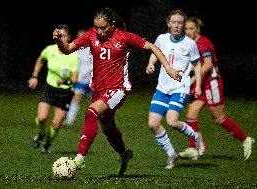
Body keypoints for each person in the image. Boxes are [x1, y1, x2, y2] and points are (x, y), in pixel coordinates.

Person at [53, 7, 182, 176]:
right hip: (98, 90)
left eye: (103, 28)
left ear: (112, 25)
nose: (99, 31)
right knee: (108, 128)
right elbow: (67, 49)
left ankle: (79, 159)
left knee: (91, 112)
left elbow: (152, 46)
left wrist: (168, 68)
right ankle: (123, 154)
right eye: (96, 27)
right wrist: (58, 41)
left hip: (117, 90)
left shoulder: (124, 37)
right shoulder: (91, 35)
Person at [179, 17, 255, 161]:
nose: (188, 32)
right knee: (191, 115)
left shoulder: (202, 44)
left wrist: (194, 81)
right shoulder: (192, 44)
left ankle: (245, 139)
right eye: (186, 29)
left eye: (191, 29)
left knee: (218, 118)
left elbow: (207, 65)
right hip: (202, 83)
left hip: (211, 83)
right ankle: (194, 148)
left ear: (198, 29)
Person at [146, 9, 203, 170]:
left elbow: (197, 64)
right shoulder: (162, 39)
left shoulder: (190, 44)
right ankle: (171, 153)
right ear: (168, 24)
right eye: (174, 22)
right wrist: (151, 63)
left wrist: (197, 85)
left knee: (171, 121)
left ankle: (194, 136)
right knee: (153, 124)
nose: (176, 25)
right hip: (162, 88)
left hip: (180, 88)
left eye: (180, 23)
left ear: (183, 25)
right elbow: (155, 52)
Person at [28, 24, 79, 154]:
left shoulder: (73, 55)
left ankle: (47, 144)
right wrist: (34, 76)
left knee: (56, 124)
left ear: (69, 38)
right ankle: (40, 134)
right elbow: (40, 60)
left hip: (65, 92)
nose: (60, 38)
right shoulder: (49, 50)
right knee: (41, 118)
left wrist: (64, 81)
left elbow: (74, 79)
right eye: (58, 36)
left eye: (63, 36)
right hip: (49, 89)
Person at [65, 29, 93, 128]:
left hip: (92, 80)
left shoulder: (93, 49)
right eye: (79, 36)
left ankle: (106, 121)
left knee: (98, 102)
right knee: (76, 98)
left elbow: (97, 63)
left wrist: (89, 71)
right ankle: (69, 120)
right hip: (80, 79)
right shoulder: (75, 49)